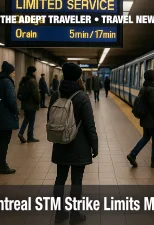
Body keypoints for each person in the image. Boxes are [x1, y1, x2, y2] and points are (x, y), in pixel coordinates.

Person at [49, 63, 98, 224]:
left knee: (60, 179)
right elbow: (90, 125)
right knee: (76, 181)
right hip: (79, 145)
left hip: (60, 143)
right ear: (78, 77)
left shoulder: (56, 94)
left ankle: (59, 213)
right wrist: (94, 145)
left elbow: (50, 119)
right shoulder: (82, 96)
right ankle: (75, 214)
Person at [126, 70, 154, 168]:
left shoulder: (144, 88)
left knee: (146, 137)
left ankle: (133, 154)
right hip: (152, 120)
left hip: (145, 119)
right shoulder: (151, 90)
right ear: (153, 78)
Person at [0, 61, 18, 174]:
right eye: (13, 72)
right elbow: (11, 100)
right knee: (4, 141)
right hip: (6, 117)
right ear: (9, 72)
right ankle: (3, 165)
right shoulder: (8, 82)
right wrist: (15, 111)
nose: (14, 74)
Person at [18, 66, 40, 143]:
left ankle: (21, 133)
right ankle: (30, 137)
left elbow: (19, 93)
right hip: (32, 105)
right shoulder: (32, 81)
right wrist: (38, 101)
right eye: (35, 72)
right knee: (31, 121)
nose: (36, 73)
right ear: (33, 72)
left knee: (26, 119)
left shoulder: (23, 80)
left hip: (25, 104)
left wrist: (23, 100)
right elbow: (35, 94)